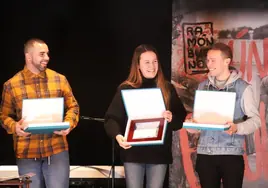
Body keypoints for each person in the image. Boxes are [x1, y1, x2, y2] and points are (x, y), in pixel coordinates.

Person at [0, 38, 80, 188]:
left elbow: (73, 107)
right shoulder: (11, 85)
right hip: (27, 153)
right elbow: (4, 116)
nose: (47, 58)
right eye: (42, 54)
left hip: (56, 150)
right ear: (28, 57)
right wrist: (14, 127)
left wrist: (69, 123)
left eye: (47, 54)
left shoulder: (59, 79)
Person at [104, 44, 187, 188]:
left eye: (155, 61)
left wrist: (171, 117)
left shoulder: (167, 88)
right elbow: (111, 118)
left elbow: (180, 119)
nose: (152, 66)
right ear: (138, 65)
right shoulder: (126, 88)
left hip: (158, 154)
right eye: (147, 62)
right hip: (133, 152)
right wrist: (118, 136)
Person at [187, 42, 261, 188]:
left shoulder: (242, 88)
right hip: (205, 154)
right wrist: (192, 126)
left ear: (227, 61)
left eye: (213, 60)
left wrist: (237, 128)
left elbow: (256, 120)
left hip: (231, 154)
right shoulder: (203, 86)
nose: (209, 64)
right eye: (208, 60)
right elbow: (200, 122)